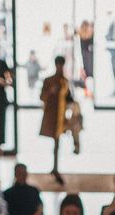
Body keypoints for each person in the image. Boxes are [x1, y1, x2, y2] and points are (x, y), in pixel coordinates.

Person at [40, 56, 73, 184]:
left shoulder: (64, 81)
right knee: (55, 141)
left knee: (57, 142)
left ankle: (55, 167)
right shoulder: (49, 81)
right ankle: (55, 167)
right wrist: (50, 92)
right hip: (51, 115)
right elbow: (42, 96)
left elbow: (68, 98)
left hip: (61, 116)